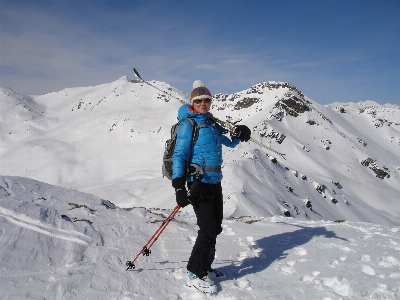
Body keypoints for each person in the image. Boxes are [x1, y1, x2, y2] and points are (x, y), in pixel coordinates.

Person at [171, 80, 251, 293]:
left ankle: (205, 266)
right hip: (198, 183)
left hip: (215, 182)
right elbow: (179, 155)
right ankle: (194, 273)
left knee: (215, 228)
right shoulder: (188, 124)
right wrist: (179, 187)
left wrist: (241, 134)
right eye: (199, 101)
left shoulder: (212, 124)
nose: (204, 103)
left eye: (207, 100)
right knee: (207, 229)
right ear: (193, 102)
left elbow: (228, 142)